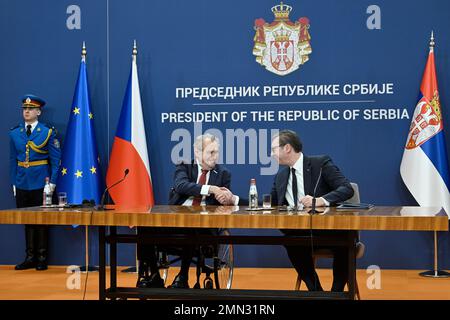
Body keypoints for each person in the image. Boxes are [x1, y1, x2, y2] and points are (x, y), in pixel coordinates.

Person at [137, 134, 238, 288]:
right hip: (174, 222)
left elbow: (224, 202)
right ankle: (154, 275)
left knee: (192, 224)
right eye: (211, 152)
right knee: (144, 225)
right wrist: (210, 189)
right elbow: (181, 186)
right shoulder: (184, 166)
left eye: (217, 152)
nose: (215, 156)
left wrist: (225, 198)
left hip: (204, 227)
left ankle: (182, 277)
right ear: (197, 153)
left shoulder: (223, 174)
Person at [270, 130, 354, 292]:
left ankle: (336, 293)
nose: (272, 154)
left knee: (345, 239)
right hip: (300, 232)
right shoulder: (281, 176)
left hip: (329, 229)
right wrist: (235, 200)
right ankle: (316, 291)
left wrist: (321, 201)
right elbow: (269, 204)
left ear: (287, 148)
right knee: (290, 241)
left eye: (274, 149)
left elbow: (347, 189)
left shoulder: (320, 164)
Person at [9, 94, 61, 271]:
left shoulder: (47, 132)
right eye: (24, 109)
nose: (27, 111)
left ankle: (42, 257)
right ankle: (29, 257)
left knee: (41, 220)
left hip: (41, 182)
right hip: (22, 182)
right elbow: (12, 160)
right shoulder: (15, 132)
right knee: (27, 220)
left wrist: (52, 183)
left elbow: (55, 160)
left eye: (30, 109)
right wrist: (14, 182)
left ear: (38, 112)